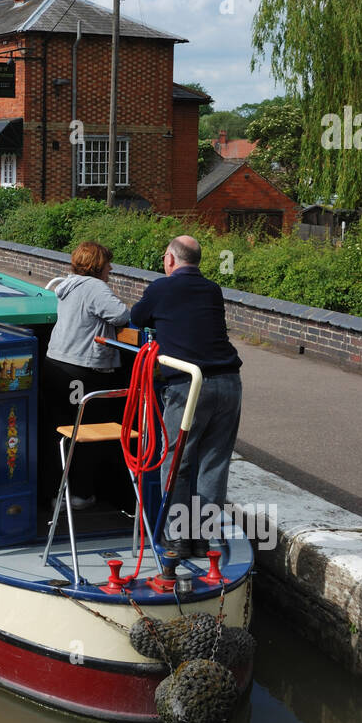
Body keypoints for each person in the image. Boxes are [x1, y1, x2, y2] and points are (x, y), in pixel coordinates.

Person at [128, 235, 242, 557]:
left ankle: (177, 539)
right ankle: (202, 539)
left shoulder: (160, 288)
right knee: (214, 463)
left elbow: (137, 318)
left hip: (190, 386)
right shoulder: (213, 289)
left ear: (169, 259)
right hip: (229, 382)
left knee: (177, 461)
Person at [42, 241, 130, 509]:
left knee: (62, 430)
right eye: (107, 264)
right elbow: (121, 315)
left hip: (55, 364)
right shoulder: (94, 287)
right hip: (81, 369)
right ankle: (79, 494)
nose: (111, 268)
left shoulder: (67, 286)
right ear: (98, 265)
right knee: (87, 432)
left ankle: (56, 491)